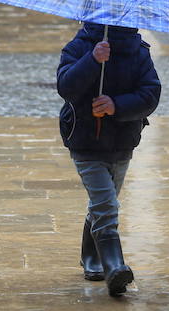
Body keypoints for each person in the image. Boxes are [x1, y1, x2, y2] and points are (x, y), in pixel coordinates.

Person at [56, 22, 161, 296]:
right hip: (85, 142)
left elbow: (150, 94)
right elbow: (66, 87)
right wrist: (92, 60)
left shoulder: (138, 51)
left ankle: (91, 258)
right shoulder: (80, 46)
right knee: (106, 203)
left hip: (123, 141)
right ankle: (114, 266)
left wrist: (116, 106)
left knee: (104, 202)